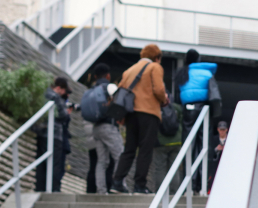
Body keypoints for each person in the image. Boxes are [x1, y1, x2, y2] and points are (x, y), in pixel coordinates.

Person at [112, 44, 168, 194]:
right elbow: (159, 89)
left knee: (129, 149)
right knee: (145, 150)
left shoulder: (129, 71)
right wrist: (164, 99)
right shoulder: (155, 67)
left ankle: (117, 181)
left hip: (131, 114)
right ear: (157, 57)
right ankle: (139, 185)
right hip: (148, 113)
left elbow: (121, 91)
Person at [177, 49, 219, 194]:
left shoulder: (182, 73)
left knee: (189, 145)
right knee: (203, 146)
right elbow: (215, 96)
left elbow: (179, 95)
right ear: (198, 59)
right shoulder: (207, 73)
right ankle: (201, 183)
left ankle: (189, 184)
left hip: (188, 111)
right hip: (203, 111)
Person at [88, 63, 123, 195]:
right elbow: (118, 101)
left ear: (95, 76)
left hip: (96, 128)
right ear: (108, 75)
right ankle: (119, 185)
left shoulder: (92, 89)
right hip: (109, 126)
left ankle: (101, 191)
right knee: (120, 155)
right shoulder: (110, 86)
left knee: (102, 161)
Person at [34, 76, 72, 192]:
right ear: (60, 88)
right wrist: (67, 112)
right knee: (55, 163)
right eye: (64, 91)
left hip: (42, 132)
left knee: (41, 163)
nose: (64, 93)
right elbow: (63, 115)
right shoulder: (56, 97)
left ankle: (40, 188)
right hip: (55, 135)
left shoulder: (43, 95)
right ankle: (54, 189)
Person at [208, 120, 229, 192]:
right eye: (221, 130)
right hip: (215, 165)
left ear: (227, 129)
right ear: (218, 129)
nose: (222, 131)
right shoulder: (213, 139)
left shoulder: (230, 139)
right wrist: (216, 149)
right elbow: (210, 153)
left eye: (223, 130)